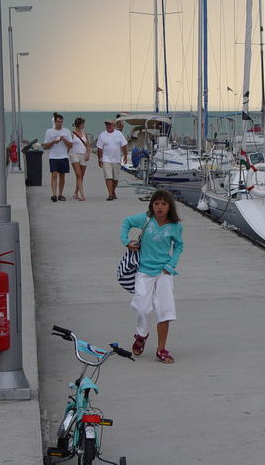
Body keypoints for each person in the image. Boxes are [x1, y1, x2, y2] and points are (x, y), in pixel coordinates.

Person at [121, 189, 183, 364]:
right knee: (142, 308)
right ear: (152, 206)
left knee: (165, 310)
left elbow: (179, 246)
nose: (160, 207)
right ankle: (142, 334)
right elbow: (126, 222)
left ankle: (161, 349)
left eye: (163, 204)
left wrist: (171, 264)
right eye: (156, 204)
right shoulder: (145, 220)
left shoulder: (175, 226)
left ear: (169, 206)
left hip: (164, 272)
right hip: (144, 272)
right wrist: (126, 241)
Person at [43, 113, 73, 202]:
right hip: (53, 157)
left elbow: (71, 145)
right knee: (54, 175)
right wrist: (54, 142)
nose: (59, 123)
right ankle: (54, 194)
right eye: (58, 122)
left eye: (61, 122)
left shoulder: (66, 131)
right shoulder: (49, 131)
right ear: (55, 121)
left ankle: (60, 194)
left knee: (62, 176)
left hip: (63, 156)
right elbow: (45, 146)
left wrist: (65, 140)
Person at [96, 119, 128, 201]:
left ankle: (113, 191)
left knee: (115, 178)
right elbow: (99, 148)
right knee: (108, 177)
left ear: (114, 125)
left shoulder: (119, 134)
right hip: (106, 159)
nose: (108, 126)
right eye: (107, 124)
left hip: (116, 159)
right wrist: (100, 159)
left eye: (110, 124)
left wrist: (125, 155)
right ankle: (110, 194)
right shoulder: (102, 135)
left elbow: (124, 145)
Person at [69, 117, 91, 201]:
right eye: (83, 124)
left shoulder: (84, 133)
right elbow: (69, 145)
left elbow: (88, 144)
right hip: (74, 155)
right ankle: (82, 195)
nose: (84, 125)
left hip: (83, 155)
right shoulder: (72, 134)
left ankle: (75, 192)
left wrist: (88, 154)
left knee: (81, 176)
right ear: (79, 124)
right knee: (78, 174)